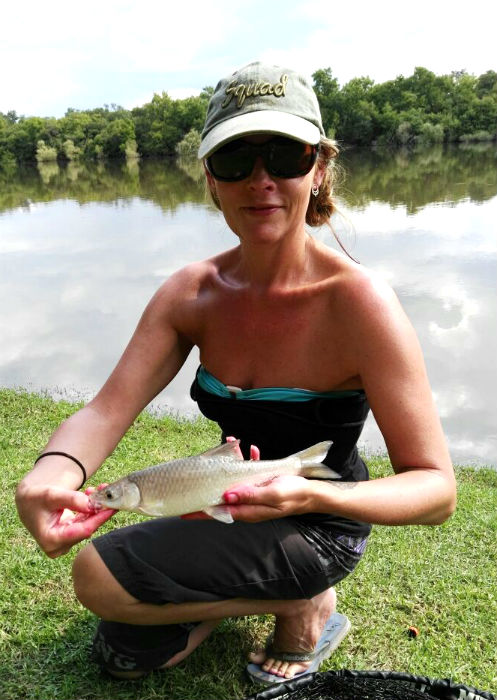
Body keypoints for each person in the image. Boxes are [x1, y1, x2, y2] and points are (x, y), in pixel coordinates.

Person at [15, 61, 456, 686]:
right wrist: (50, 474)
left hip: (318, 517)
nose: (261, 181)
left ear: (320, 168)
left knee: (96, 575)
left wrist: (313, 493)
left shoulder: (359, 305)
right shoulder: (191, 293)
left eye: (285, 156)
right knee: (126, 653)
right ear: (211, 179)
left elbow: (436, 489)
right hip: (222, 498)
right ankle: (257, 595)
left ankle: (303, 603)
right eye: (235, 161)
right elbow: (105, 411)